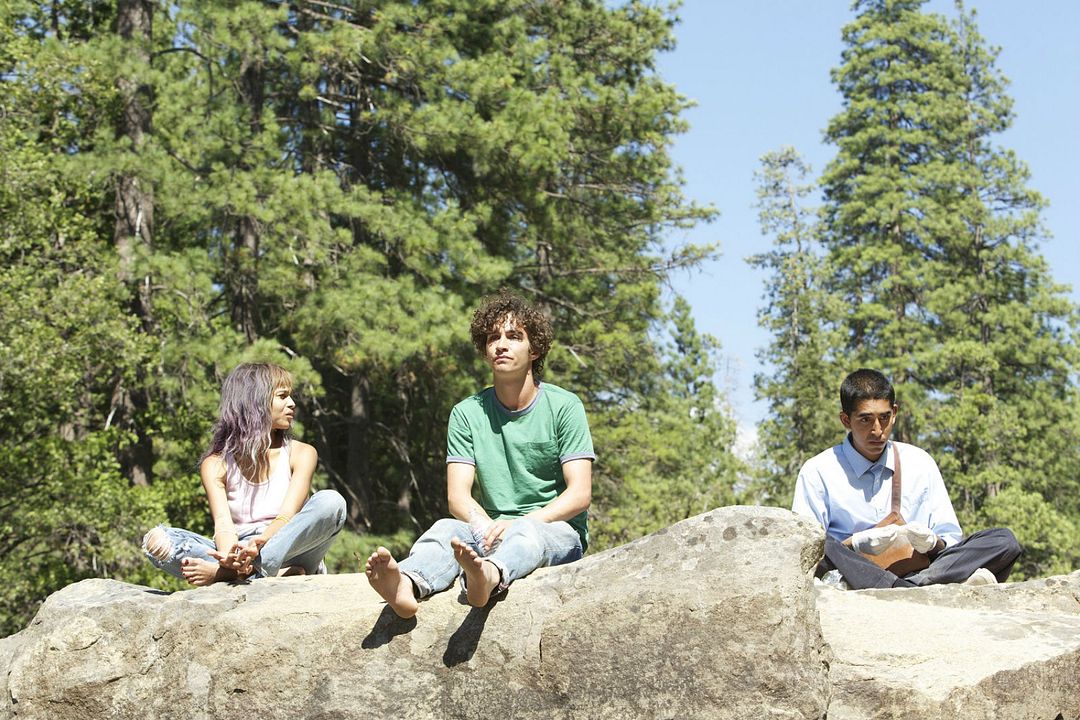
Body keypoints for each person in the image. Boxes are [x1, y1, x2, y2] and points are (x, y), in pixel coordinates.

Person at [365, 291, 593, 617]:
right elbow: (458, 498)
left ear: (535, 350)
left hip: (554, 532)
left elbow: (579, 494)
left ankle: (489, 575)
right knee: (445, 529)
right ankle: (406, 584)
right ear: (485, 350)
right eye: (493, 338)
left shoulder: (564, 406)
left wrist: (519, 524)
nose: (501, 344)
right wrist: (483, 526)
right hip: (492, 530)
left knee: (528, 535)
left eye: (514, 337)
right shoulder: (467, 413)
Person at [792, 368, 1021, 590]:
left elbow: (949, 540)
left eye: (884, 418)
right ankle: (910, 587)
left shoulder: (920, 461)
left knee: (1003, 541)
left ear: (895, 413)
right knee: (820, 543)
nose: (877, 430)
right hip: (853, 571)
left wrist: (932, 542)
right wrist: (856, 544)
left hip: (920, 569)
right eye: (865, 420)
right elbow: (806, 550)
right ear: (845, 420)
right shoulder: (818, 470)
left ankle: (910, 586)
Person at [142, 362, 346, 586]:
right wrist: (231, 559)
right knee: (156, 541)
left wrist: (261, 545)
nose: (292, 403)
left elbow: (287, 516)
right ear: (256, 402)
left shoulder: (302, 453)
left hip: (289, 545)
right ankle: (246, 573)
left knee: (332, 502)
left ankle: (239, 575)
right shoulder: (215, 464)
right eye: (282, 396)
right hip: (239, 549)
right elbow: (223, 525)